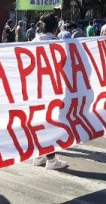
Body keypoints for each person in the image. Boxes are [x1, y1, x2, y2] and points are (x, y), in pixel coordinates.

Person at [31, 13, 69, 170]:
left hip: (34, 90)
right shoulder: (58, 43)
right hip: (52, 89)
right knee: (50, 123)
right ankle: (51, 159)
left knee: (39, 122)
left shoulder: (32, 41)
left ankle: (38, 156)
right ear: (55, 28)